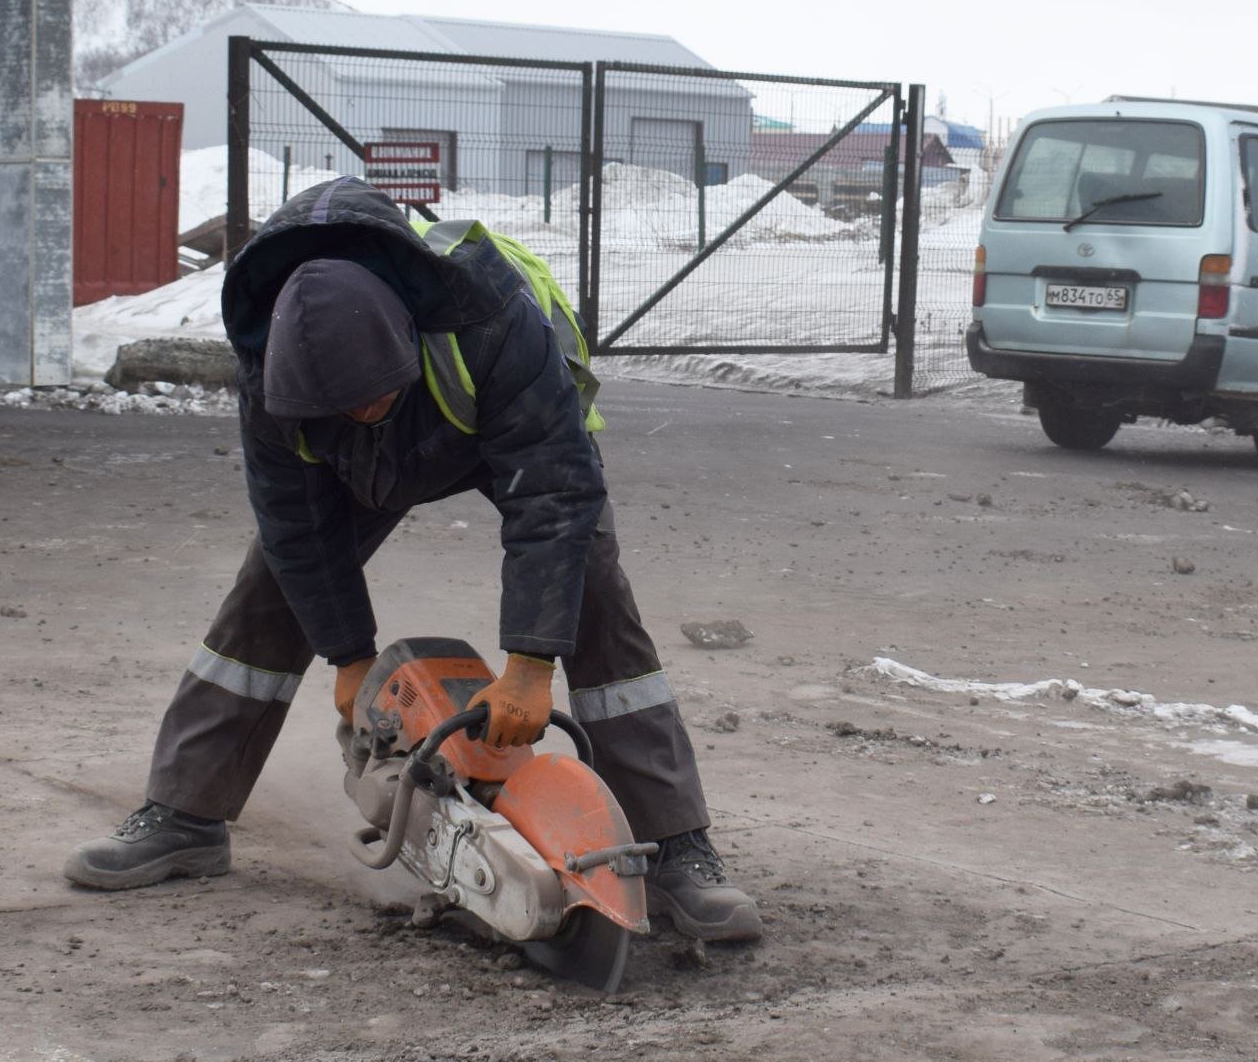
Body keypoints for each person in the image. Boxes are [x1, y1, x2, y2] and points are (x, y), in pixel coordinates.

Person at [64, 176, 763, 943]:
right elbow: (296, 523)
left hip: (504, 428)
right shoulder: (269, 370)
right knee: (268, 588)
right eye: (342, 410)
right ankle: (185, 813)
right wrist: (349, 657)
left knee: (590, 583)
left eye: (370, 400)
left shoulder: (488, 315)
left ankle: (675, 846)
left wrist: (530, 664)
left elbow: (554, 494)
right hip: (361, 457)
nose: (360, 415)